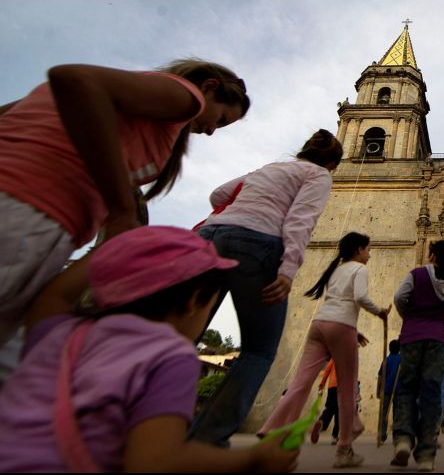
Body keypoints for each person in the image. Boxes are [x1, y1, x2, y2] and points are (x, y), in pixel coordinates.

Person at [0, 59, 251, 382]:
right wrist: (120, 207)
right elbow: (73, 77)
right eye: (221, 118)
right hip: (28, 210)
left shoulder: (141, 108)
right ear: (210, 88)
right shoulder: (186, 96)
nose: (213, 130)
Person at [0, 226, 298, 472]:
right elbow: (155, 462)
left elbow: (54, 295)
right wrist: (254, 459)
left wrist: (121, 243)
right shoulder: (169, 357)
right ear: (194, 300)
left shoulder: (61, 333)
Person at [189, 129, 343, 447]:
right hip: (256, 245)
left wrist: (238, 212)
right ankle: (207, 438)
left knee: (183, 336)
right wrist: (288, 271)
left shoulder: (270, 168)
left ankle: (144, 426)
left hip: (209, 238)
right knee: (258, 350)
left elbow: (218, 195)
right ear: (332, 163)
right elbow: (301, 220)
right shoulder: (319, 175)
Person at [257, 232, 391, 469]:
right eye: (368, 249)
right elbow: (359, 297)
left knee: (300, 383)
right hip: (341, 327)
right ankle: (345, 448)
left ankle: (271, 428)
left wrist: (353, 332)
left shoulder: (335, 270)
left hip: (319, 326)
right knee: (347, 388)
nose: (370, 254)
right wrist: (379, 311)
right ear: (359, 250)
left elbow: (336, 303)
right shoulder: (359, 269)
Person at [391, 240, 444, 472]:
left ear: (432, 255)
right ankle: (426, 455)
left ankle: (403, 440)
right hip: (437, 341)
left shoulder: (416, 274)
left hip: (412, 338)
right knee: (431, 392)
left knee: (406, 388)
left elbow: (398, 298)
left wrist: (410, 318)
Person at [377, 339, 402, 443]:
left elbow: (380, 376)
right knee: (397, 413)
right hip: (398, 390)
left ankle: (382, 435)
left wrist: (378, 391)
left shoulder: (386, 360)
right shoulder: (401, 360)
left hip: (387, 390)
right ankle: (396, 436)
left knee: (384, 413)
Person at [311, 360, 340, 445]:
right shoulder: (349, 357)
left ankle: (322, 423)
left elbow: (327, 370)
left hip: (332, 387)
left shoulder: (334, 358)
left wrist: (322, 385)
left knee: (329, 409)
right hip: (343, 387)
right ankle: (335, 437)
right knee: (340, 413)